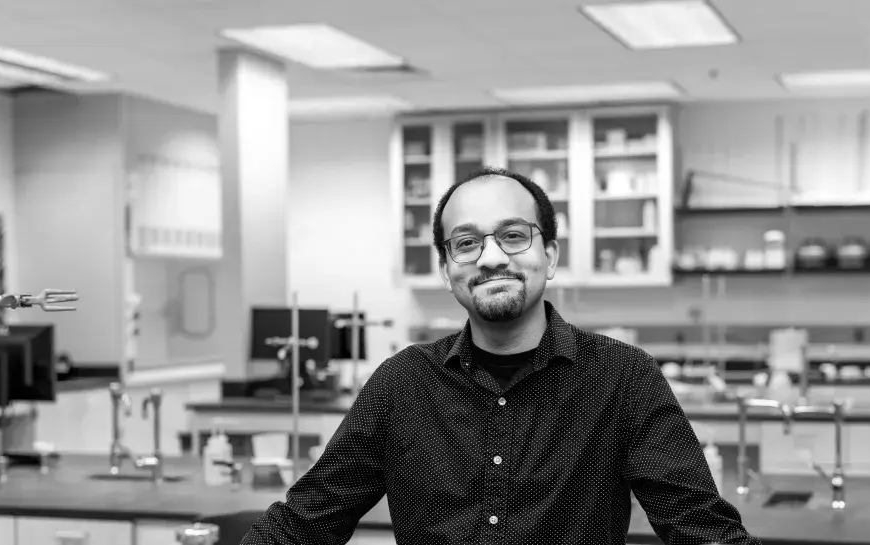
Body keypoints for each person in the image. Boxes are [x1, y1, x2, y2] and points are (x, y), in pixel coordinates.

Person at [240, 167, 761, 545]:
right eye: (465, 243)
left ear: (549, 255)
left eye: (514, 236)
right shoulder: (403, 385)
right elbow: (307, 522)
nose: (490, 257)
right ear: (447, 269)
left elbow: (700, 527)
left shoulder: (622, 376)